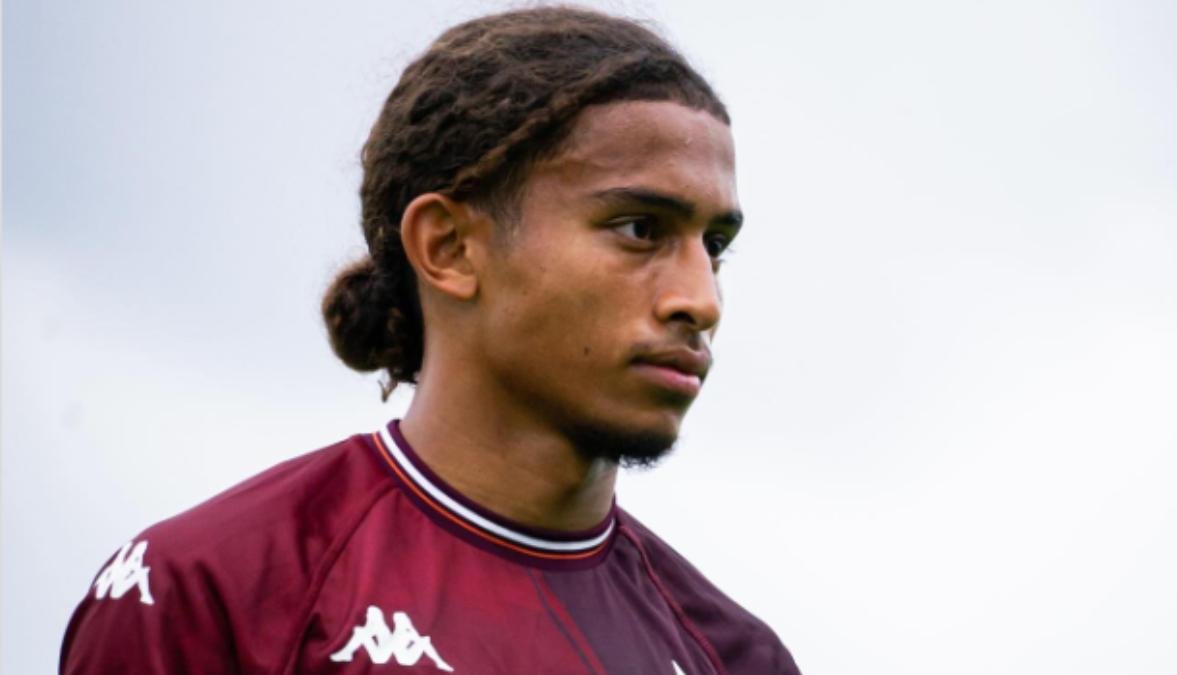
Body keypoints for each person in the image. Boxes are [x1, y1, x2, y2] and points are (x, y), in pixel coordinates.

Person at [60, 6, 801, 674]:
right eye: (640, 229)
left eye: (714, 246)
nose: (701, 301)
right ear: (449, 247)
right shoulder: (206, 592)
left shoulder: (738, 658)